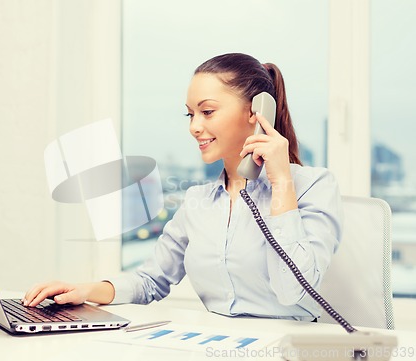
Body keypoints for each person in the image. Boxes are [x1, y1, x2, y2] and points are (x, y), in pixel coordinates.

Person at [23, 53, 342, 321]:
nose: (194, 127)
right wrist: (84, 290)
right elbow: (150, 280)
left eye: (207, 111)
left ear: (257, 112)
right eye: (190, 114)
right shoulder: (198, 201)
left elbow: (292, 290)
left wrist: (281, 181)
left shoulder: (313, 187)